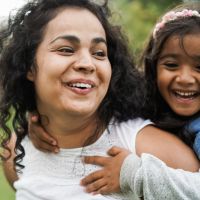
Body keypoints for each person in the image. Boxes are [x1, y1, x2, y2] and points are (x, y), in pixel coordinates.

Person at [1, 1, 199, 200]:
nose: (88, 64)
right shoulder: (16, 150)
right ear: (28, 65)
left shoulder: (150, 149)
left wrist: (133, 173)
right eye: (66, 50)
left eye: (99, 53)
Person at [79, 3, 200, 199]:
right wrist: (42, 120)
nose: (185, 78)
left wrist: (132, 174)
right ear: (153, 67)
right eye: (171, 65)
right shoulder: (142, 99)